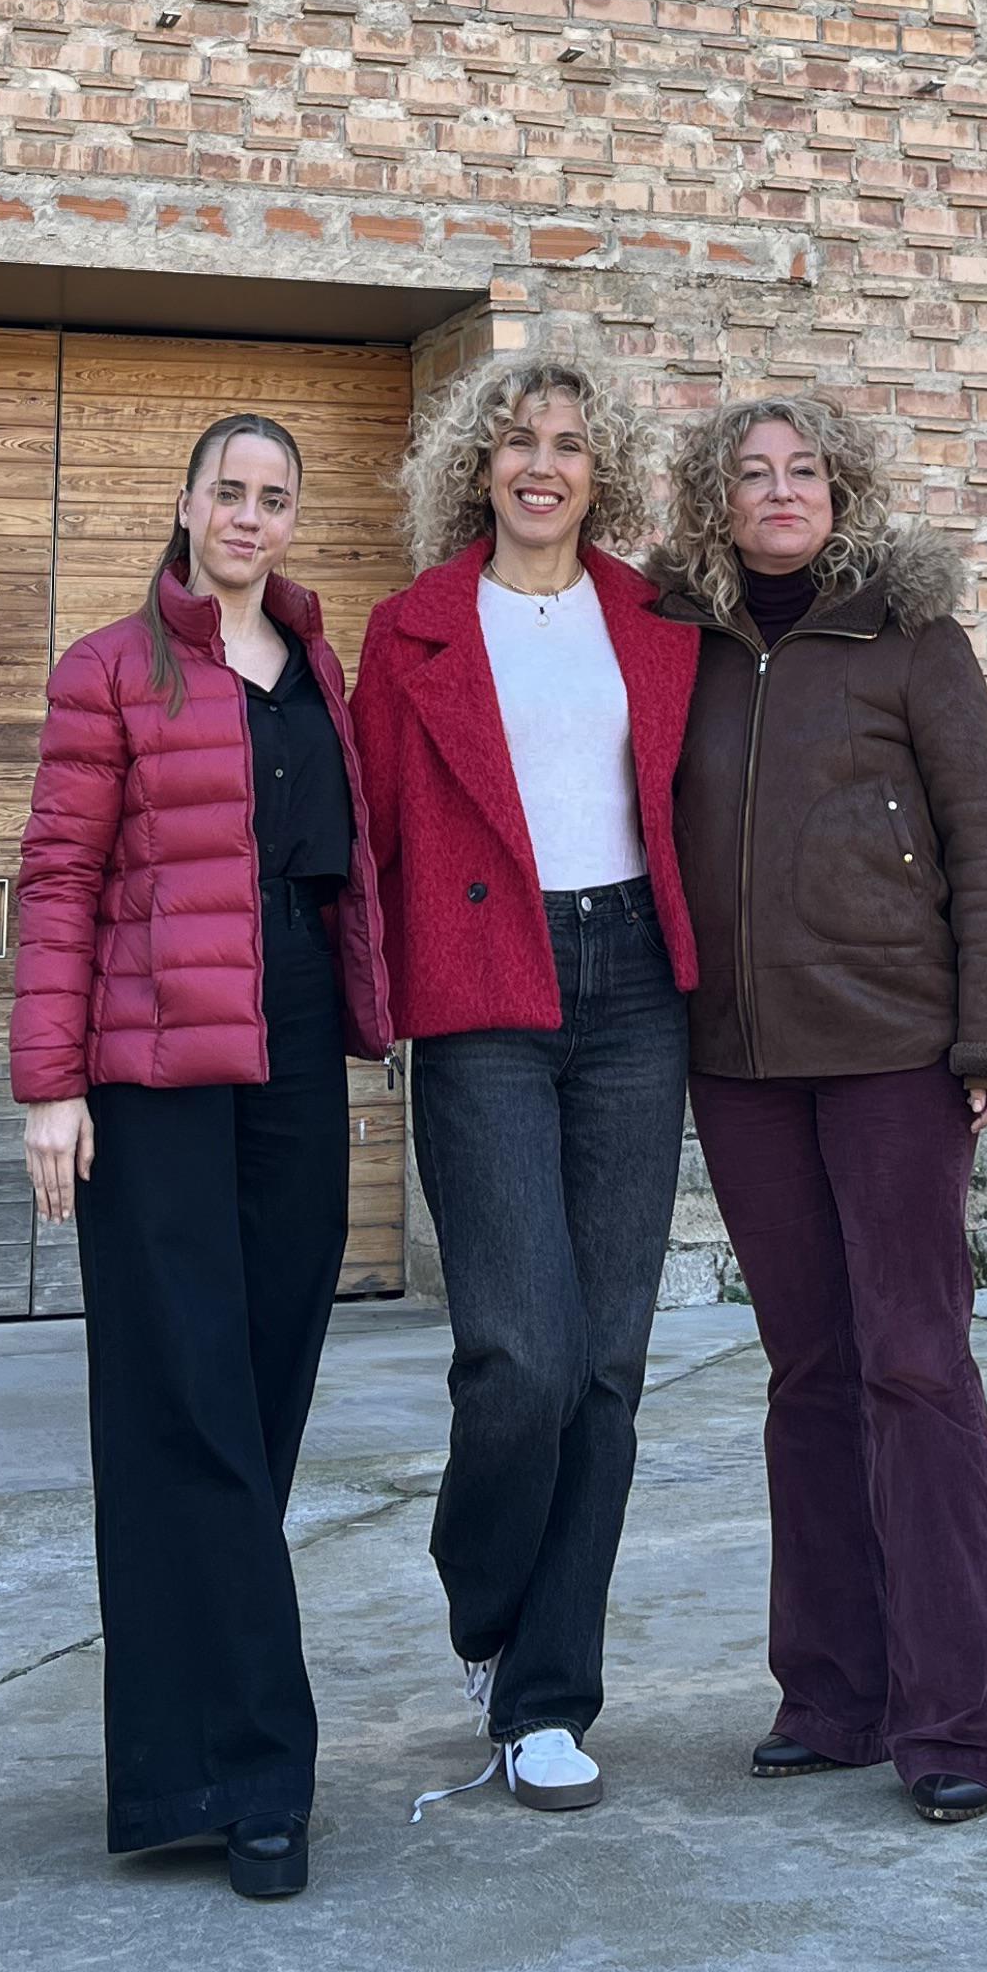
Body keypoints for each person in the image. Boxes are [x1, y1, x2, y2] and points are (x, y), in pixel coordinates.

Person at [10, 411, 392, 1903]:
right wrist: (52, 1086)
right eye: (227, 491)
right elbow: (60, 876)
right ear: (183, 505)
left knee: (265, 1389)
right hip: (154, 1067)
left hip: (293, 1052)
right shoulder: (110, 669)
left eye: (273, 497)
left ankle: (184, 1753)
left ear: (293, 519)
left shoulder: (316, 668)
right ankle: (256, 1777)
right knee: (186, 1400)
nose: (248, 515)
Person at [656, 391, 987, 1824]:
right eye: (752, 473)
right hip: (741, 1062)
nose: (780, 491)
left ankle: (959, 1725)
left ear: (842, 490)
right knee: (808, 1373)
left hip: (894, 1051)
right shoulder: (681, 644)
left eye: (804, 470)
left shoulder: (910, 636)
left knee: (917, 1366)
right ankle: (834, 1698)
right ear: (716, 499)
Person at [347, 346, 697, 1820]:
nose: (541, 466)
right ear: (476, 468)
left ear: (598, 470)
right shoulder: (414, 629)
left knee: (606, 1365)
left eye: (567, 443)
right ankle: (482, 1586)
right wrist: (362, 1012)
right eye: (516, 442)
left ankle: (547, 1695)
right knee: (521, 1355)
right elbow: (368, 837)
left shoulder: (659, 617)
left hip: (635, 994)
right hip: (483, 991)